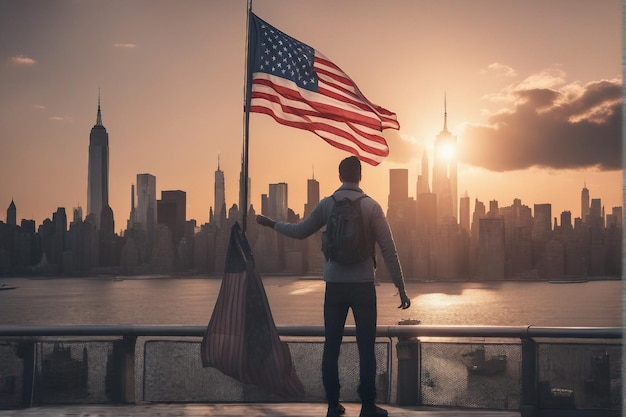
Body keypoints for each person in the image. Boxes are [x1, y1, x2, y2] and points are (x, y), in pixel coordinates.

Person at [256, 156, 411, 417]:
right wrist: (401, 287)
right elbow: (388, 249)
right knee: (366, 348)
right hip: (363, 286)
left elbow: (301, 231)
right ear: (360, 176)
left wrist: (272, 224)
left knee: (331, 347)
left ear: (340, 176)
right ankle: (368, 406)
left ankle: (332, 405)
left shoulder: (327, 205)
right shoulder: (371, 206)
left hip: (335, 286)